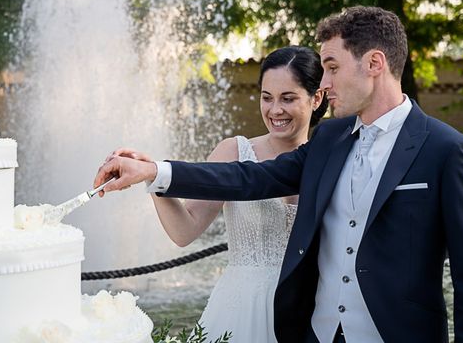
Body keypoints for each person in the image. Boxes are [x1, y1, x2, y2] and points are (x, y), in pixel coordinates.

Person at [94, 6, 463, 343]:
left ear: (374, 63)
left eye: (331, 67)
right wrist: (155, 171)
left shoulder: (449, 152)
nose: (324, 83)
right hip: (316, 334)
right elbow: (249, 178)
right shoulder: (330, 139)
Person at [112, 47, 327, 342]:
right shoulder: (235, 151)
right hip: (241, 311)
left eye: (288, 98)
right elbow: (184, 231)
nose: (275, 110)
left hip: (309, 311)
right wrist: (153, 177)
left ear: (316, 99)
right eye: (267, 98)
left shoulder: (331, 159)